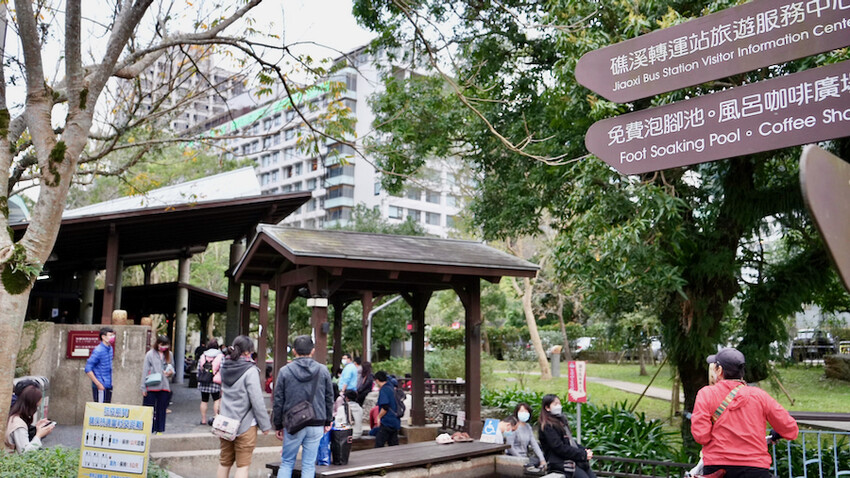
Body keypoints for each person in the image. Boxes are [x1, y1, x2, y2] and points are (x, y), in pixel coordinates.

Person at [691, 348, 798, 478]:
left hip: (717, 468)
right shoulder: (760, 396)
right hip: (755, 469)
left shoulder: (706, 394)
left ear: (719, 370)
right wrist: (776, 434)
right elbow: (791, 429)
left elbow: (701, 436)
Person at [273, 335, 334, 478]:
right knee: (308, 464)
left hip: (293, 423)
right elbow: (329, 397)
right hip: (317, 421)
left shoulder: (284, 371)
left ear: (293, 351)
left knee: (287, 462)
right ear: (312, 351)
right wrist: (328, 420)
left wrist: (278, 425)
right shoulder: (323, 370)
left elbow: (278, 400)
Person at [217, 335, 272, 478]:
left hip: (225, 423)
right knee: (243, 466)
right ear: (248, 352)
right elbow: (257, 400)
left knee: (224, 462)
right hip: (245, 425)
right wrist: (265, 425)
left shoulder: (225, 367)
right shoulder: (250, 370)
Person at [539, 394, 595, 478]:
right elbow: (559, 447)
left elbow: (570, 442)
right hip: (559, 462)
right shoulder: (547, 426)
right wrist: (582, 454)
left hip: (571, 459)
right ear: (547, 407)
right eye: (555, 404)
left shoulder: (561, 421)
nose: (558, 406)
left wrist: (584, 451)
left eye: (559, 403)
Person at [5, 385, 54, 453]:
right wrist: (38, 435)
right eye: (36, 406)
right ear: (31, 405)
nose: (36, 410)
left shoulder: (12, 416)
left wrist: (37, 429)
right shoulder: (18, 425)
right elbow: (25, 452)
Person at [142, 335, 174, 434]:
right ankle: (149, 428)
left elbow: (172, 368)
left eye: (166, 345)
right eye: (162, 345)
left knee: (161, 409)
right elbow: (145, 370)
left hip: (164, 386)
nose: (163, 347)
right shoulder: (150, 354)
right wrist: (143, 387)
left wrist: (170, 372)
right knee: (149, 409)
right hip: (151, 385)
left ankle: (160, 429)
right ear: (158, 344)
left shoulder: (169, 354)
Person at [507, 402, 546, 472]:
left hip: (525, 457)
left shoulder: (528, 427)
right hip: (514, 457)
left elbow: (534, 444)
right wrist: (520, 459)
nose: (524, 413)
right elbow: (510, 446)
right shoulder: (513, 426)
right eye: (521, 411)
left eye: (526, 411)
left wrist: (542, 459)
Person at [85, 327, 115, 403]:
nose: (112, 337)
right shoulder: (98, 350)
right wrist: (98, 384)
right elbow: (88, 369)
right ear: (103, 337)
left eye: (113, 335)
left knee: (106, 409)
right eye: (110, 335)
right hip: (100, 386)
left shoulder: (110, 348)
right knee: (100, 410)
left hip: (108, 385)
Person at [198, 339, 224, 426]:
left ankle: (203, 420)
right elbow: (223, 368)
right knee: (216, 400)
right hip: (215, 381)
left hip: (204, 380)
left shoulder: (203, 355)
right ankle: (216, 417)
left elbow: (199, 368)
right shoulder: (220, 356)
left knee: (204, 400)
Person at [373, 370, 401, 448]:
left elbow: (385, 407)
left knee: (379, 444)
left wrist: (378, 417)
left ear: (377, 380)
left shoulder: (384, 390)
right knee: (393, 444)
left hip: (387, 421)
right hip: (395, 420)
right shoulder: (391, 387)